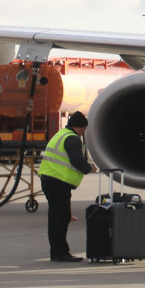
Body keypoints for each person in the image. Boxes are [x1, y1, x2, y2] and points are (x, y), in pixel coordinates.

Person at [37, 111, 95, 262]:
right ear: (78, 127)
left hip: (50, 180)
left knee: (57, 217)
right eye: (83, 129)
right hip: (58, 182)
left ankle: (57, 251)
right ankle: (60, 253)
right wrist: (89, 168)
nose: (83, 132)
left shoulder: (61, 134)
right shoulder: (72, 139)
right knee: (61, 219)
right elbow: (76, 160)